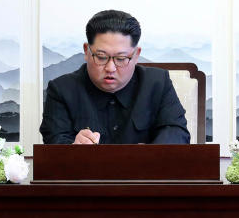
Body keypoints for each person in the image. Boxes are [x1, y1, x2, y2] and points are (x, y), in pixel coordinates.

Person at [40, 10, 190, 144]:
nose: (110, 68)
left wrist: (151, 154)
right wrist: (73, 148)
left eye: (121, 58)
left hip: (145, 173)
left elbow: (176, 131)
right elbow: (55, 141)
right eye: (101, 57)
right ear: (86, 51)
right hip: (87, 174)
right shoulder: (61, 90)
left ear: (136, 55)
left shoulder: (158, 83)